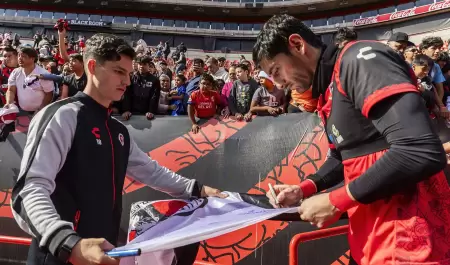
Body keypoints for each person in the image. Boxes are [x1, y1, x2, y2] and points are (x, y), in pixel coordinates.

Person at [11, 33, 226, 265]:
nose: (128, 82)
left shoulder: (117, 130)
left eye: (129, 73)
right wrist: (69, 243)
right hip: (58, 257)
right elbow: (29, 192)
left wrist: (198, 189)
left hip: (105, 255)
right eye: (119, 72)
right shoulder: (62, 116)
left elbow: (151, 171)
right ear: (92, 67)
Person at [254, 14, 449, 265]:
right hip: (370, 240)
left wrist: (336, 201)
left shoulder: (360, 59)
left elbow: (420, 150)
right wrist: (304, 188)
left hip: (411, 244)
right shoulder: (327, 90)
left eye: (276, 71)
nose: (278, 84)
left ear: (297, 44)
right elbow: (343, 156)